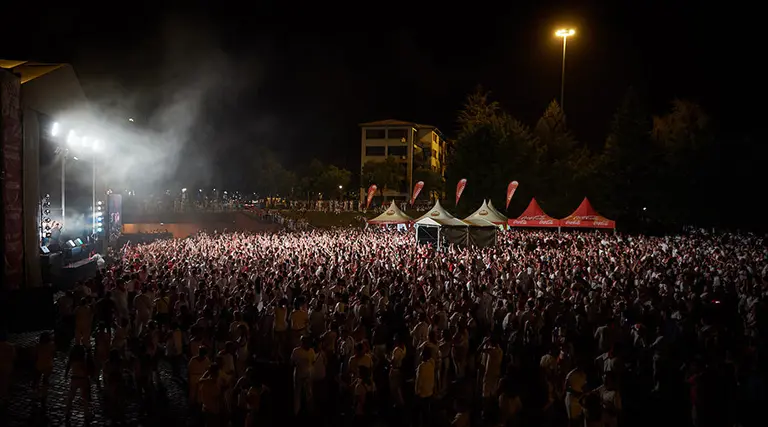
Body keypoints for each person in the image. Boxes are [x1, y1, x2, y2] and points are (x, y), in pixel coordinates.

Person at [290, 335, 315, 415]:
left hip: (303, 375)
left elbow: (292, 363)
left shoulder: (297, 351)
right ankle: (302, 412)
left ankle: (302, 412)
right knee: (303, 394)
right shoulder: (299, 351)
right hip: (301, 375)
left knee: (305, 394)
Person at [34, 332, 56, 404]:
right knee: (45, 380)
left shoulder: (38, 346)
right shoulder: (52, 345)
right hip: (48, 365)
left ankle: (36, 394)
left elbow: (35, 355)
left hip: (39, 364)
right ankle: (44, 395)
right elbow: (53, 355)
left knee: (37, 380)